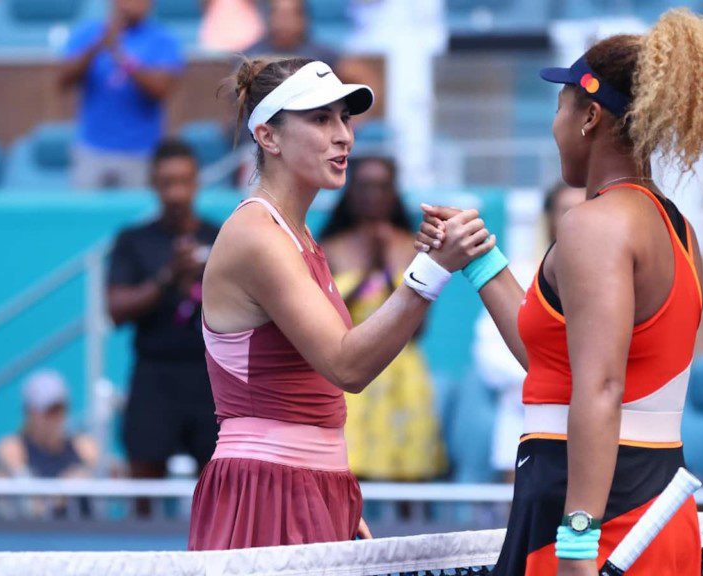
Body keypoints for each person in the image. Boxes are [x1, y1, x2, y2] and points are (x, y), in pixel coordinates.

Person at [418, 10, 703, 575]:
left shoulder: (594, 224)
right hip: (654, 515)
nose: (553, 125)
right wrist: (482, 259)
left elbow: (600, 388)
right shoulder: (677, 229)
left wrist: (578, 544)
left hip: (598, 526)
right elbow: (555, 362)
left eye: (558, 108)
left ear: (589, 116)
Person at [187, 56, 493, 550]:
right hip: (264, 486)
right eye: (320, 119)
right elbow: (347, 366)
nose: (344, 135)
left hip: (314, 485)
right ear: (268, 137)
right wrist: (433, 269)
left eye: (345, 119)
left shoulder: (301, 236)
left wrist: (331, 494)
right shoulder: (255, 236)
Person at [107, 140, 220, 504]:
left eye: (183, 181)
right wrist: (167, 277)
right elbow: (115, 309)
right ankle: (141, 561)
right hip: (153, 376)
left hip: (211, 376)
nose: (175, 193)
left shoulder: (221, 237)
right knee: (144, 495)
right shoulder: (133, 241)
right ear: (153, 185)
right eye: (167, 182)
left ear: (196, 182)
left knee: (219, 490)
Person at [320, 157, 445, 481]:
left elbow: (420, 328)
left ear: (393, 192)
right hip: (351, 368)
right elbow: (323, 318)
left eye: (381, 186)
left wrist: (389, 275)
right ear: (350, 192)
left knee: (408, 473)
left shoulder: (414, 247)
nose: (372, 195)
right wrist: (367, 275)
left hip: (402, 373)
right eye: (364, 186)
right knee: (347, 467)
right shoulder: (330, 248)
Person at [474, 182, 584, 482]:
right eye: (565, 210)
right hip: (522, 417)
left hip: (589, 423)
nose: (573, 219)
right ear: (548, 218)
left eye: (581, 209)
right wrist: (555, 381)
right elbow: (489, 356)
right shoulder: (517, 275)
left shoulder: (609, 278)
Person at [59, 0, 184, 190]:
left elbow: (161, 90)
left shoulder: (163, 39)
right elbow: (63, 81)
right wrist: (96, 47)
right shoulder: (87, 33)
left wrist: (120, 55)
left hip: (141, 153)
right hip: (92, 150)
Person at [0, 370, 99, 517]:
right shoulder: (13, 449)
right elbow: (28, 508)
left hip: (84, 536)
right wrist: (62, 491)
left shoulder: (84, 447)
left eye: (61, 409)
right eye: (50, 410)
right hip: (33, 538)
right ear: (30, 412)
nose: (57, 417)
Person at [246, 0, 340, 67]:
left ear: (304, 18)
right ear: (269, 17)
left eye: (290, 15)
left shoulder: (326, 58)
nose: (284, 22)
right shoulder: (251, 58)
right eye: (280, 15)